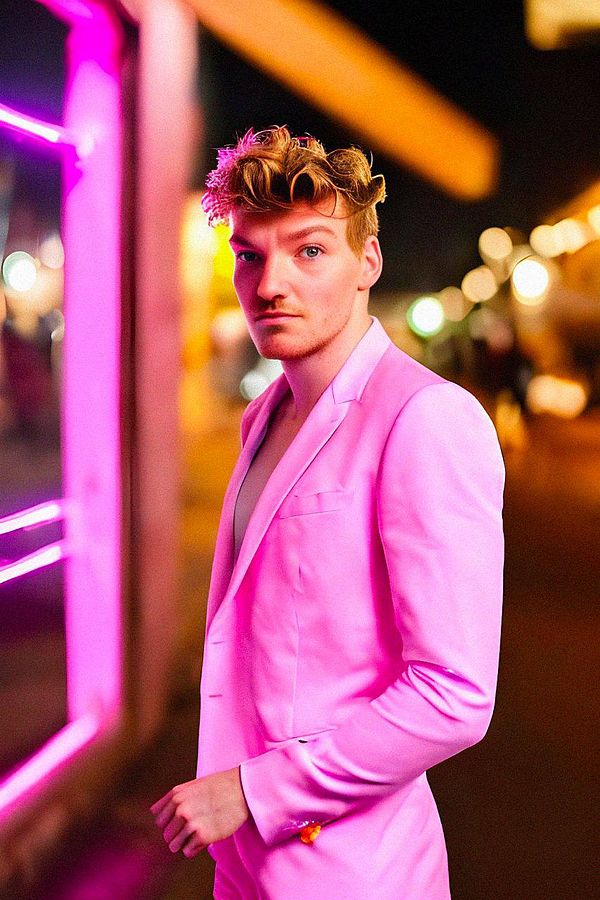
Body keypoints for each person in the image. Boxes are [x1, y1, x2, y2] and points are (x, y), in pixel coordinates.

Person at [151, 126, 505, 898]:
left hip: (354, 872)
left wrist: (253, 791)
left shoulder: (426, 418)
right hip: (246, 867)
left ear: (367, 262)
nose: (270, 283)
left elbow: (454, 695)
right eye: (250, 256)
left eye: (309, 251)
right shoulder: (266, 415)